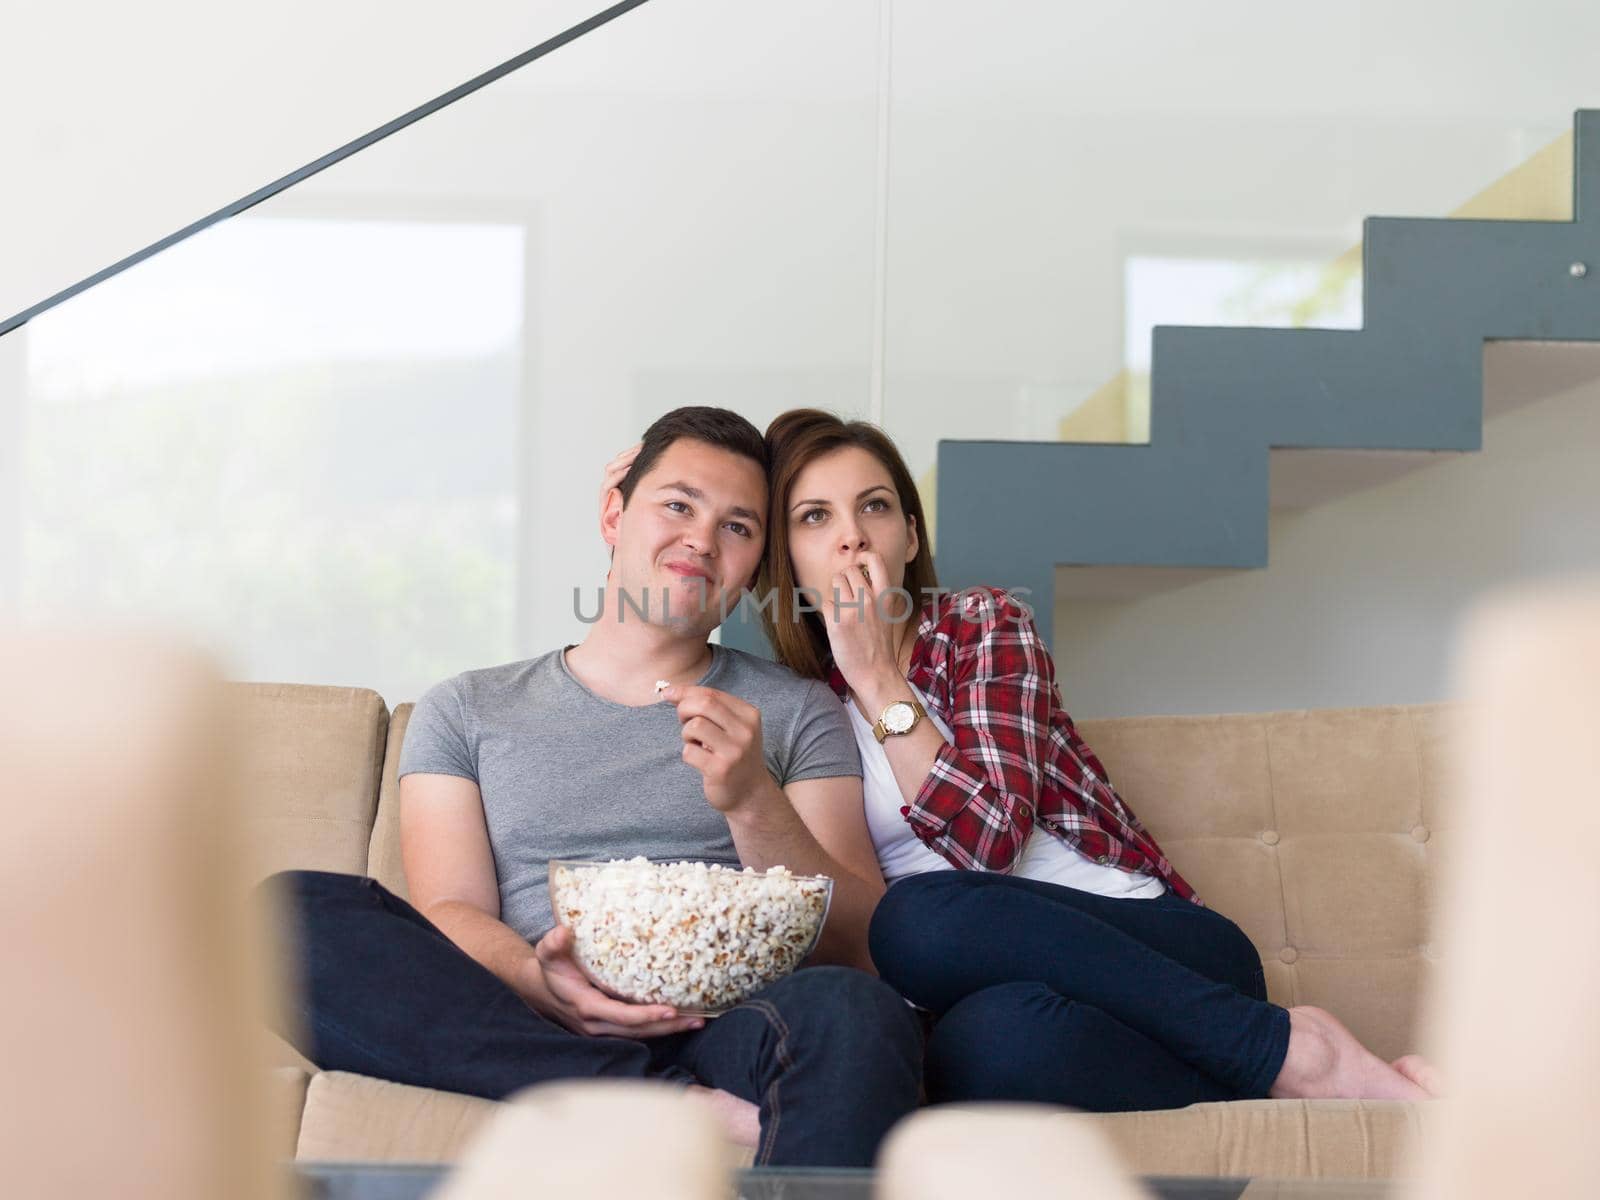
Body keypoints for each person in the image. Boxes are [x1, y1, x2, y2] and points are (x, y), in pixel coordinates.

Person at [698, 406, 1440, 1112]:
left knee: (915, 919)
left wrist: (880, 680)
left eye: (876, 507)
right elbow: (836, 910)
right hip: (1014, 1001)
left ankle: (1299, 1053)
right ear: (786, 561)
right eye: (815, 517)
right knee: (986, 1051)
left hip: (1163, 951)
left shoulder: (983, 625)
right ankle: (1264, 1065)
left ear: (912, 537)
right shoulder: (805, 712)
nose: (852, 537)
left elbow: (987, 843)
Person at [262, 407, 922, 1169]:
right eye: (678, 505)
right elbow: (450, 910)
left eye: (738, 527)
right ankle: (658, 1101)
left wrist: (751, 799)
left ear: (755, 566)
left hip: (733, 1018)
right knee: (281, 913)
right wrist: (536, 979)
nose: (701, 541)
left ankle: (634, 1095)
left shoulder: (794, 708)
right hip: (522, 1016)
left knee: (856, 1013)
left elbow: (862, 941)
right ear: (615, 512)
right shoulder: (468, 707)